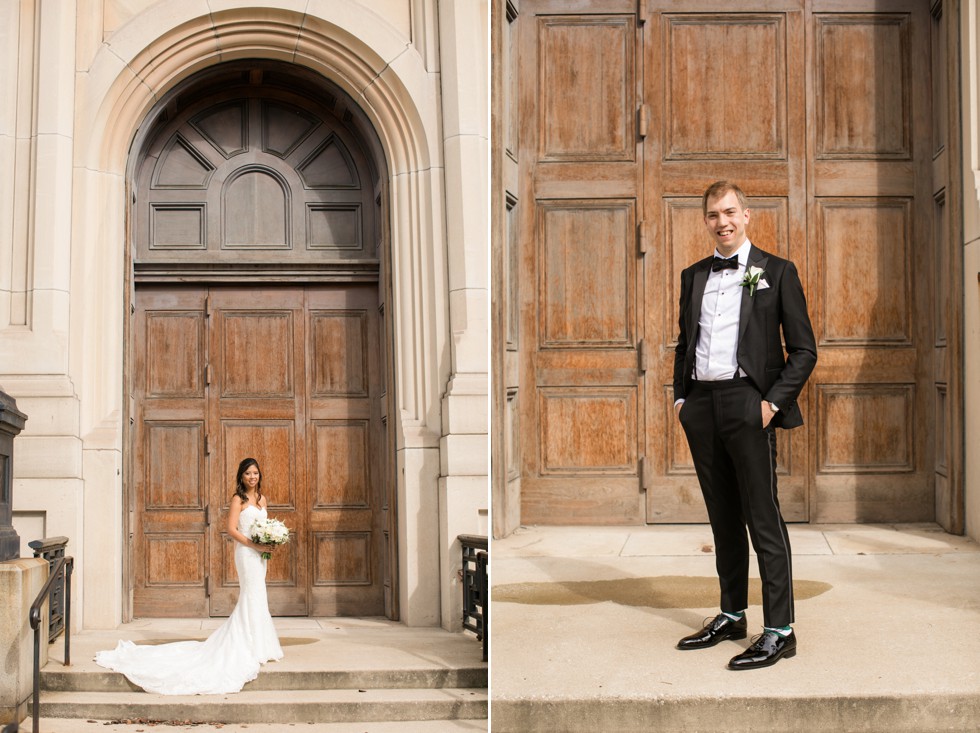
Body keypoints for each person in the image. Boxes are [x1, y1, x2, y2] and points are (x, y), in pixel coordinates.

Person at [673, 181, 817, 670]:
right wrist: (680, 399)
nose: (722, 222)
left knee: (763, 517)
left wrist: (771, 404)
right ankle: (732, 614)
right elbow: (683, 343)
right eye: (713, 215)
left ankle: (780, 629)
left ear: (747, 215)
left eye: (730, 212)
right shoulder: (693, 276)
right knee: (722, 517)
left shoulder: (776, 272)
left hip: (749, 403)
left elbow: (804, 350)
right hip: (702, 405)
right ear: (706, 220)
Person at [95, 457, 284, 694]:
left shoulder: (262, 499)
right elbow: (231, 529)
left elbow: (264, 527)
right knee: (251, 594)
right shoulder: (239, 499)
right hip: (246, 554)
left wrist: (268, 541)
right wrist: (254, 546)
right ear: (241, 477)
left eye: (255, 473)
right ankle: (247, 644)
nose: (252, 477)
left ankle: (260, 643)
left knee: (258, 595)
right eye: (248, 474)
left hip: (260, 556)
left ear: (260, 475)